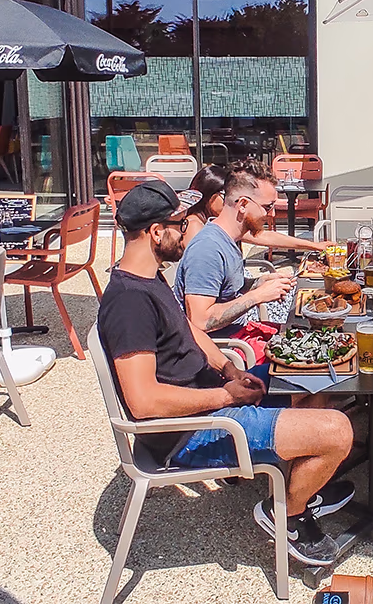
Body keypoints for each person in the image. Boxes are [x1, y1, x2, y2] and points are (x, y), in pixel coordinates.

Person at [96, 180, 354, 565]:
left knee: (309, 378)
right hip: (185, 433)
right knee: (338, 431)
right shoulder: (129, 303)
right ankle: (288, 514)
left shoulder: (149, 277)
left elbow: (189, 329)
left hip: (210, 402)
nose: (190, 230)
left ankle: (300, 487)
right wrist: (226, 396)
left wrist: (229, 369)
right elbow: (144, 401)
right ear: (155, 232)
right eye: (182, 223)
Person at [174, 159, 297, 336]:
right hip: (227, 350)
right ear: (243, 205)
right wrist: (257, 296)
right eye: (267, 207)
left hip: (239, 335)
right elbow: (200, 321)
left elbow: (226, 291)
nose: (270, 215)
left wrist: (257, 283)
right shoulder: (208, 249)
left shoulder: (226, 239)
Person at [184, 164, 330, 253]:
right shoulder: (195, 228)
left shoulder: (221, 225)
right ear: (208, 196)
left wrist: (314, 245)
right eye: (226, 194)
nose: (231, 200)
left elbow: (263, 236)